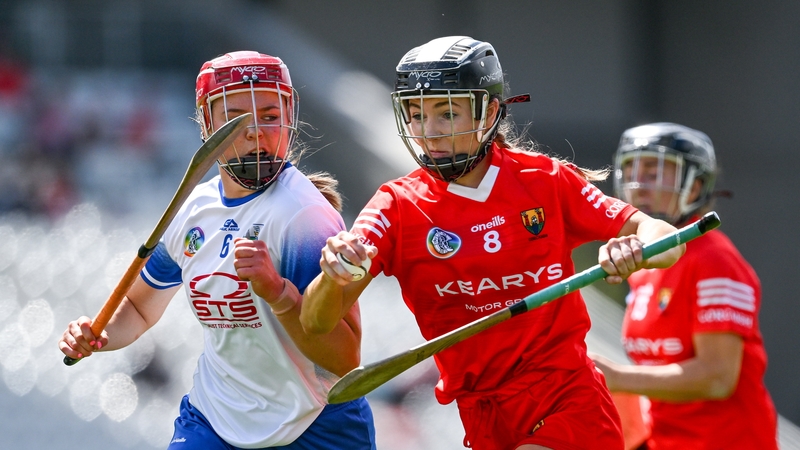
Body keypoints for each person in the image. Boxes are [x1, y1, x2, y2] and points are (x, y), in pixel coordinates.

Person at [300, 36, 685, 450]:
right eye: (416, 115)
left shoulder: (546, 181)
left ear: (488, 112)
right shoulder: (394, 207)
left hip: (567, 401)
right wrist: (334, 276)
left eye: (447, 114)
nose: (429, 132)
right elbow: (316, 321)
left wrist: (635, 250)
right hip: (482, 416)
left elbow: (668, 242)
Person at [58, 51, 376, 450]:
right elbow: (139, 308)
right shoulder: (193, 210)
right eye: (236, 118)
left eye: (270, 115)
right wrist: (98, 334)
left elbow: (342, 359)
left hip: (314, 423)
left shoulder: (303, 216)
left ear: (289, 117)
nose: (255, 132)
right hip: (214, 419)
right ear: (207, 124)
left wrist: (277, 292)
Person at [589, 123, 778, 449]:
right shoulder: (645, 265)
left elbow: (717, 377)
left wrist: (618, 378)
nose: (639, 186)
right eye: (632, 171)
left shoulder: (715, 260)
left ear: (694, 187)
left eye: (654, 173)